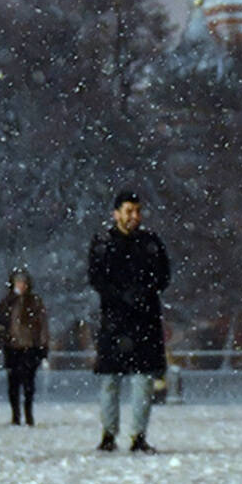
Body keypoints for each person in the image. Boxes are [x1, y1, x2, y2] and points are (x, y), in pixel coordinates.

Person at [87, 189, 170, 453]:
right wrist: (124, 295)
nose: (135, 216)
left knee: (143, 381)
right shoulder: (103, 242)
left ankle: (138, 436)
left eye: (137, 210)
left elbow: (164, 276)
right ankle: (109, 434)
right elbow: (96, 278)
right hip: (116, 321)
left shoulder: (151, 243)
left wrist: (141, 293)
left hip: (143, 321)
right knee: (111, 381)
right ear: (116, 214)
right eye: (129, 211)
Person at [0, 267, 49, 426]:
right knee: (13, 383)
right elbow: (1, 323)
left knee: (29, 383)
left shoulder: (34, 302)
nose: (21, 285)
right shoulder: (7, 302)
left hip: (29, 346)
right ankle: (16, 415)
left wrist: (42, 344)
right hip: (12, 347)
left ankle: (28, 414)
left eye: (23, 282)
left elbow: (43, 325)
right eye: (18, 282)